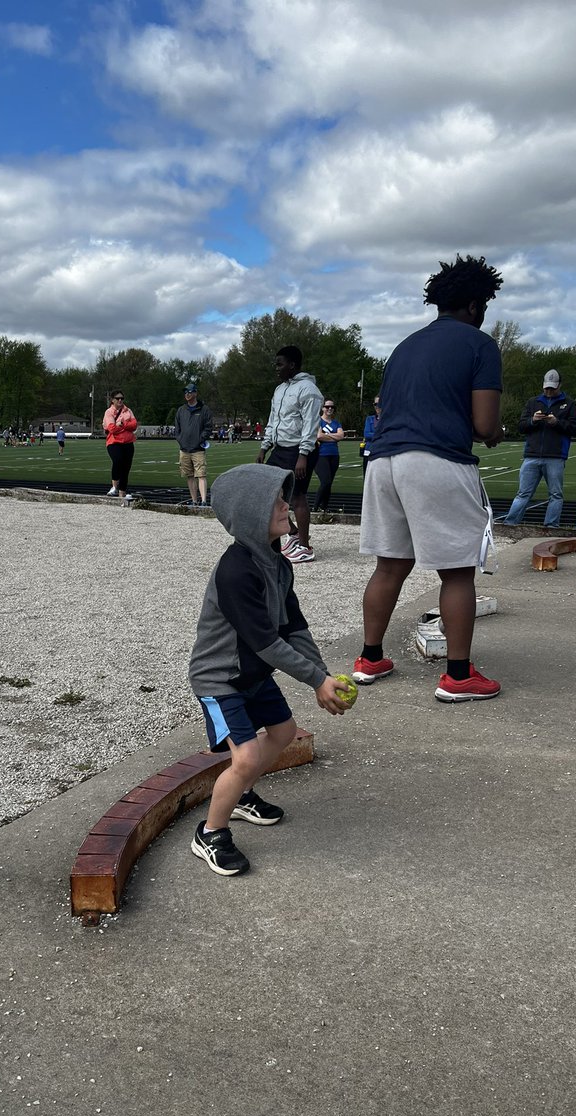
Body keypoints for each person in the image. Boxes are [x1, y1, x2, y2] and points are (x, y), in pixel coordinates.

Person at [187, 463, 352, 876]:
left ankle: (240, 796)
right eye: (275, 500)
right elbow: (266, 642)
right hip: (221, 679)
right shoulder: (236, 572)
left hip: (253, 673)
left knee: (282, 732)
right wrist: (316, 680)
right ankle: (210, 833)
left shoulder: (277, 562)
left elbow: (294, 626)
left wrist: (323, 674)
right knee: (242, 759)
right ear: (249, 514)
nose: (286, 505)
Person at [355, 253, 504, 702]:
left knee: (390, 564)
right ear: (476, 305)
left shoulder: (405, 345)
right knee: (457, 573)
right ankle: (459, 677)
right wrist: (496, 431)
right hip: (437, 459)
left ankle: (370, 658)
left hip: (382, 461)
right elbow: (483, 425)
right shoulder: (480, 345)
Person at [256, 345, 322, 563]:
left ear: (292, 364)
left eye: (280, 363)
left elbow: (311, 425)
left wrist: (303, 454)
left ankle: (305, 546)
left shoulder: (308, 390)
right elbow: (272, 420)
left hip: (299, 450)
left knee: (297, 496)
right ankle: (292, 532)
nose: (276, 368)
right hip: (280, 448)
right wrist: (264, 447)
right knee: (268, 491)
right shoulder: (279, 390)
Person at [501, 369, 576, 527]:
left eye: (552, 388)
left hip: (556, 456)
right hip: (532, 455)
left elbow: (575, 428)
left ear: (559, 385)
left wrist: (557, 423)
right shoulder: (533, 402)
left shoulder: (569, 403)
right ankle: (510, 524)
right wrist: (533, 420)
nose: (549, 391)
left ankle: (551, 526)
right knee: (523, 493)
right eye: (547, 388)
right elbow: (521, 426)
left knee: (555, 494)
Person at [174, 383, 213, 506]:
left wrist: (200, 439)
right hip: (184, 449)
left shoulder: (204, 409)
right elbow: (177, 428)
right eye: (186, 392)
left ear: (195, 393)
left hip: (198, 449)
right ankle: (194, 500)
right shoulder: (181, 410)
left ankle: (203, 501)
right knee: (189, 476)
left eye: (190, 392)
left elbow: (208, 427)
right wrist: (180, 439)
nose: (187, 394)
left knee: (201, 474)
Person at [102, 389, 138, 500]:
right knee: (118, 461)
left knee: (126, 468)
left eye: (122, 398)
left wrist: (122, 425)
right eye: (118, 398)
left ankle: (122, 492)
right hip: (114, 442)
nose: (120, 400)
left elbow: (134, 425)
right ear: (112, 400)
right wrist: (125, 426)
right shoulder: (109, 412)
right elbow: (111, 428)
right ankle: (114, 486)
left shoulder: (128, 410)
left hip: (128, 442)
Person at [312, 400, 344, 510]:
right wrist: (333, 436)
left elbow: (341, 436)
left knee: (329, 483)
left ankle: (324, 507)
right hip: (321, 455)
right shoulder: (318, 421)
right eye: (327, 407)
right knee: (325, 481)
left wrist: (327, 436)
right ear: (322, 408)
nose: (330, 409)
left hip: (334, 455)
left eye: (332, 407)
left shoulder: (336, 423)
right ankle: (315, 507)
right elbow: (319, 436)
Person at [360, 397, 381, 478]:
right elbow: (367, 434)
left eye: (379, 404)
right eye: (375, 404)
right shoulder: (370, 419)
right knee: (367, 477)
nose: (377, 406)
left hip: (382, 452)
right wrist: (381, 434)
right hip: (369, 451)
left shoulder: (388, 420)